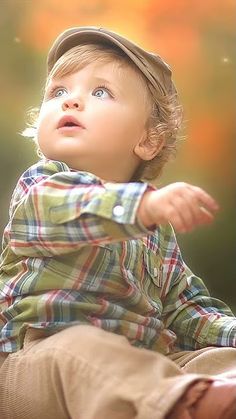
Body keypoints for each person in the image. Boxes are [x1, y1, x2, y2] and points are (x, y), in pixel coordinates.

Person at [0, 26, 235, 419]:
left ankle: (210, 393)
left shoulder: (156, 227)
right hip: (37, 362)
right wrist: (142, 207)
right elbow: (65, 211)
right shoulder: (41, 185)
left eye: (100, 92)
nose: (71, 101)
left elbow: (185, 311)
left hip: (138, 364)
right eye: (57, 92)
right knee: (85, 352)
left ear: (148, 139)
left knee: (212, 359)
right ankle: (185, 402)